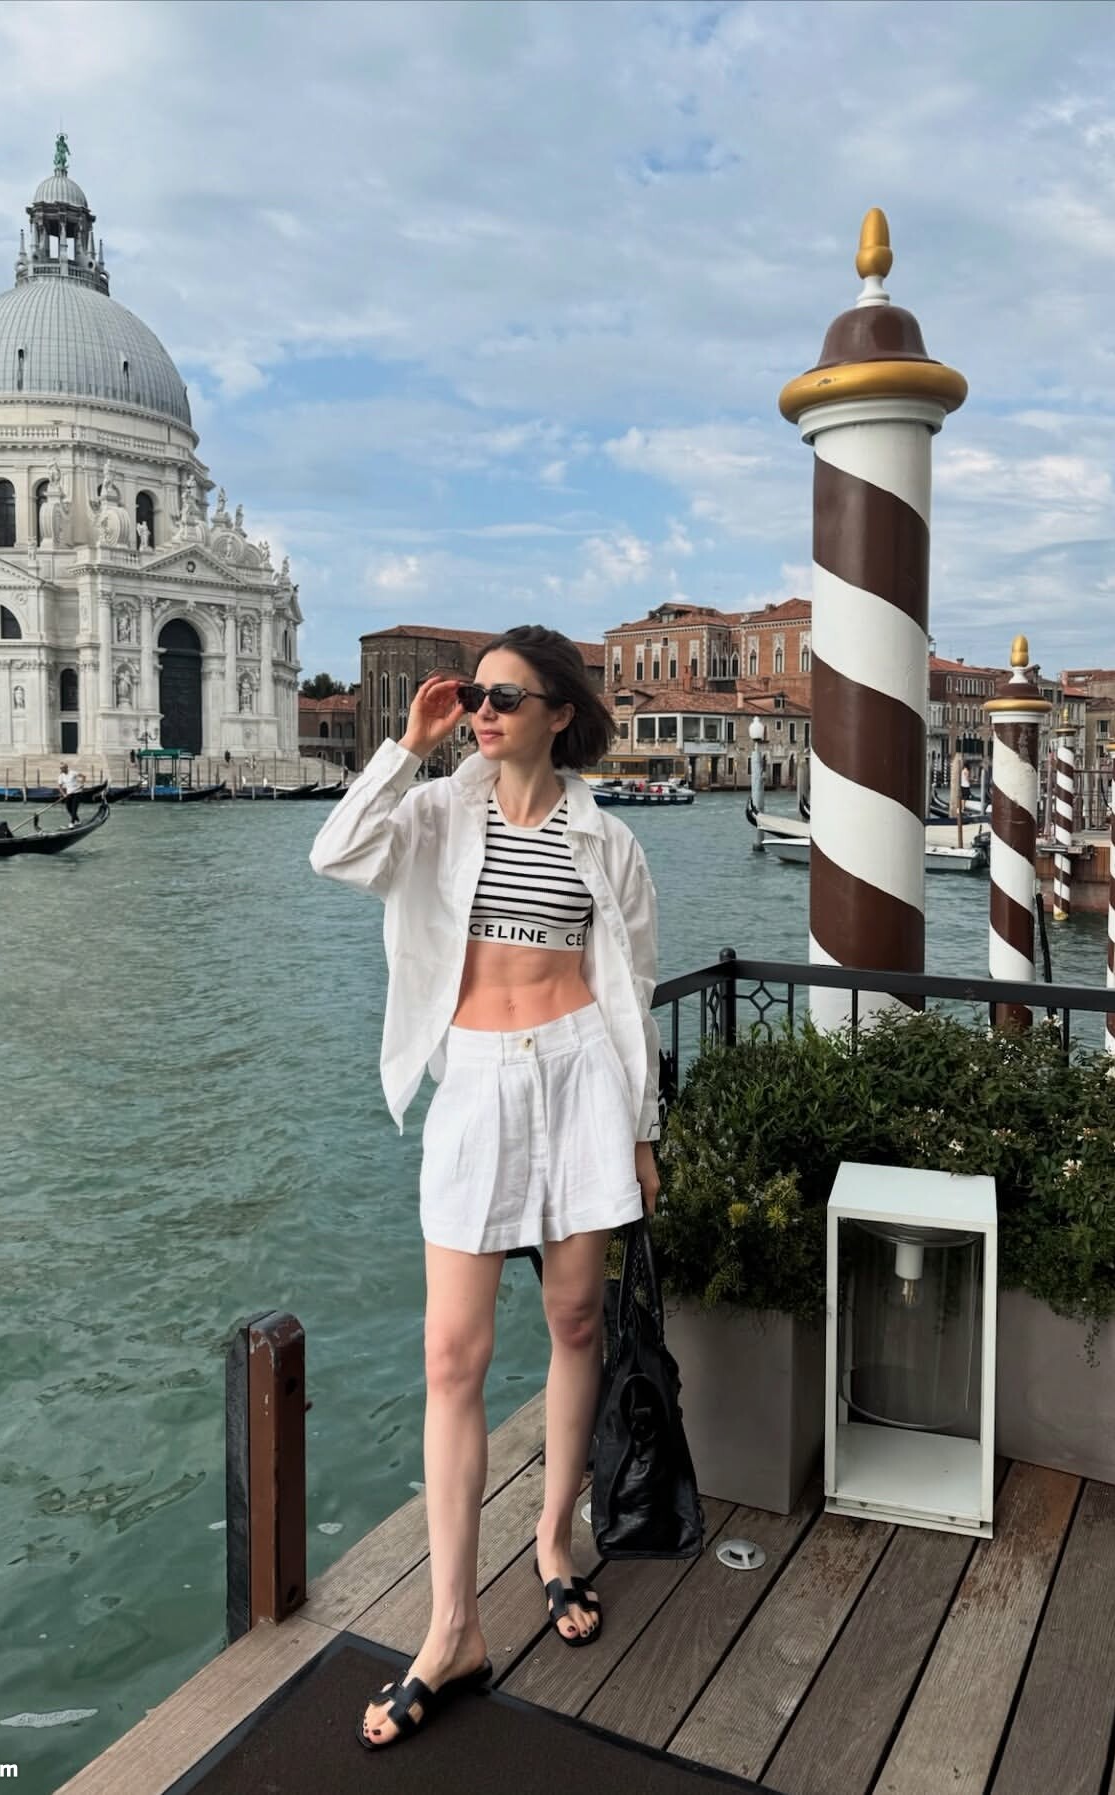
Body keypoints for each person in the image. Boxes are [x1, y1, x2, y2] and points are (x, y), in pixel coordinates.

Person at [309, 625, 661, 1753]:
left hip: (581, 1077)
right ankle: (451, 1626)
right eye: (477, 694)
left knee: (574, 1322)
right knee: (451, 1356)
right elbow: (335, 853)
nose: (485, 711)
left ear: (561, 711)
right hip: (474, 1086)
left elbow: (631, 989)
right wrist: (408, 745)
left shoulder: (607, 839)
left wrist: (642, 1133)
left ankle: (554, 1539)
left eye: (508, 696)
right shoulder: (437, 812)